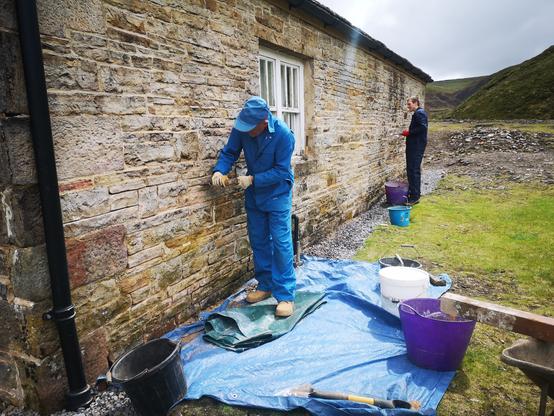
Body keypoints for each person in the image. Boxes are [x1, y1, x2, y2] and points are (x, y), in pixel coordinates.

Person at [211, 96, 296, 318]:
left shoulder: (284, 135)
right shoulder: (243, 128)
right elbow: (230, 152)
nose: (247, 131)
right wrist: (219, 170)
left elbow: (281, 170)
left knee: (281, 242)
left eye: (251, 128)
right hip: (255, 197)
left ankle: (285, 295)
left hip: (277, 193)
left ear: (264, 121)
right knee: (258, 240)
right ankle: (265, 285)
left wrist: (253, 179)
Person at [401, 96, 428, 205]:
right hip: (415, 145)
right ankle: (413, 193)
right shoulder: (418, 113)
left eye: (409, 104)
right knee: (411, 170)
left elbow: (423, 127)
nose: (408, 106)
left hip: (416, 146)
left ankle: (415, 197)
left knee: (413, 170)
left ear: (416, 103)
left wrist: (409, 133)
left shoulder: (419, 113)